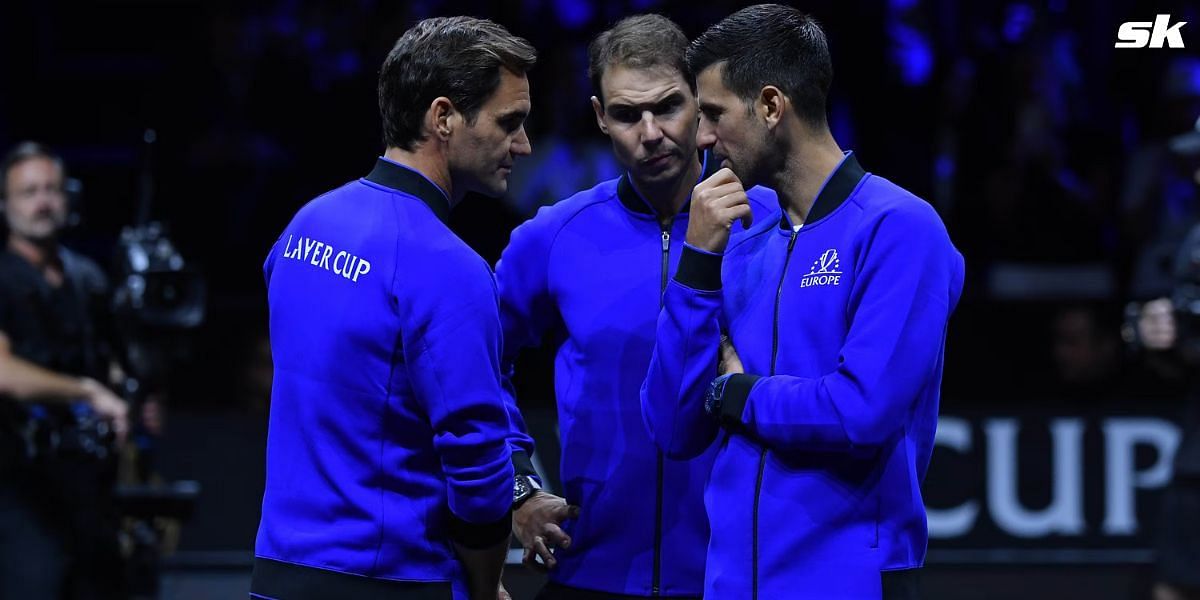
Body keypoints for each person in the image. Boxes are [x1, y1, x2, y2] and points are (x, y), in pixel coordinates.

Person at [639, 5, 965, 599]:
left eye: (712, 114)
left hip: (850, 582)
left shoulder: (900, 229)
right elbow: (671, 427)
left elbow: (859, 411)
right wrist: (695, 266)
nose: (701, 138)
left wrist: (736, 393)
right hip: (731, 584)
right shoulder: (736, 242)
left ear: (770, 106)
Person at [251, 17, 536, 600]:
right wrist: (484, 584)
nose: (523, 144)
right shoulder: (451, 269)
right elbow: (478, 467)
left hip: (277, 574)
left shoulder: (304, 224)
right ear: (444, 117)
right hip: (387, 579)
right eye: (510, 122)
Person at [495, 15, 776, 599]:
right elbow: (468, 362)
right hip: (589, 574)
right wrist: (517, 486)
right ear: (601, 117)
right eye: (627, 114)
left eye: (668, 106)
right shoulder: (555, 236)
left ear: (700, 101)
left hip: (735, 576)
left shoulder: (772, 223)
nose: (651, 132)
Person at [0, 141, 131, 599]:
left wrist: (131, 397)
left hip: (89, 483)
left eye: (52, 189)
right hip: (20, 486)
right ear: (6, 205)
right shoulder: (4, 278)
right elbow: (2, 370)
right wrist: (87, 392)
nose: (43, 201)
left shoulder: (88, 278)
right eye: (29, 191)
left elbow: (113, 361)